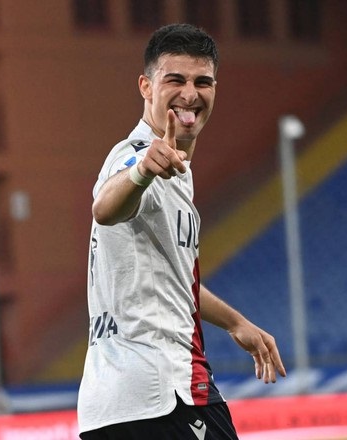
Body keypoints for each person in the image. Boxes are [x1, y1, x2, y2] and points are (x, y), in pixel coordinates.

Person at [77, 23, 286, 439]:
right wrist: (141, 172)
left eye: (202, 82)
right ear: (146, 87)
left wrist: (234, 322)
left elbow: (173, 278)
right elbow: (105, 207)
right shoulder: (135, 155)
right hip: (164, 394)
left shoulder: (176, 174)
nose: (190, 93)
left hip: (113, 406)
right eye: (175, 79)